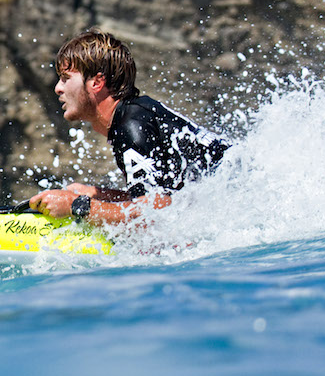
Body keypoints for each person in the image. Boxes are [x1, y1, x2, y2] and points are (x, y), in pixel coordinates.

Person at [29, 29, 229, 227]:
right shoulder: (132, 117)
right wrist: (95, 194)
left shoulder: (131, 126)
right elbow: (162, 199)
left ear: (97, 83)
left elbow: (156, 215)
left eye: (66, 78)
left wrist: (76, 205)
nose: (58, 88)